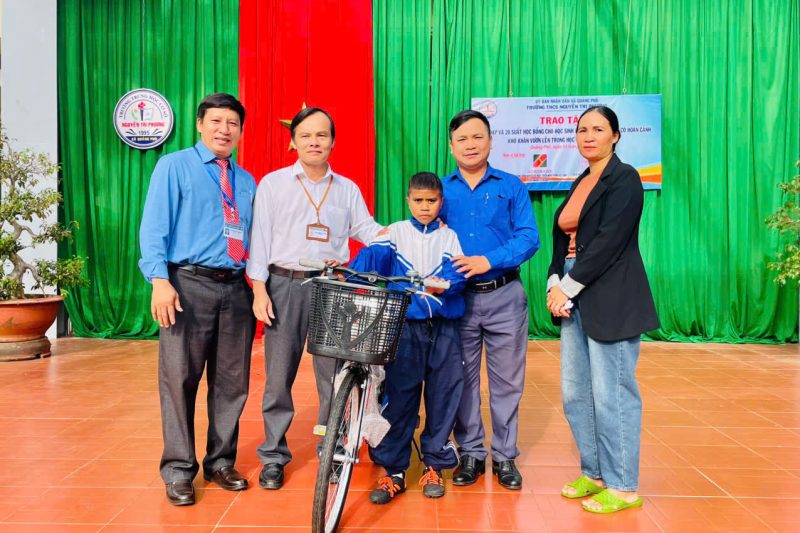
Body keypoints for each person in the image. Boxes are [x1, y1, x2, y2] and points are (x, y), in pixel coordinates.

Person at [247, 107, 384, 490]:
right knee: (279, 377)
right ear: (293, 141)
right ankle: (273, 455)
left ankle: (332, 449)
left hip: (330, 287)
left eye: (322, 135)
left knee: (332, 377)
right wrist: (259, 289)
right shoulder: (274, 184)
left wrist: (404, 233)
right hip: (284, 286)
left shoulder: (346, 189)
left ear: (333, 141)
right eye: (306, 135)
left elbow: (366, 229)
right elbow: (259, 240)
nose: (314, 142)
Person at [139, 93, 257, 506]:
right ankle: (178, 469)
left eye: (233, 123)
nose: (224, 130)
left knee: (232, 383)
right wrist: (159, 280)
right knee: (179, 380)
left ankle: (221, 461)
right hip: (186, 285)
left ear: (240, 131)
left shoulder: (246, 181)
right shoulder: (174, 167)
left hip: (236, 289)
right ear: (199, 124)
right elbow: (154, 227)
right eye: (216, 121)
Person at [546, 105, 659, 513]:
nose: (588, 136)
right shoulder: (582, 180)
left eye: (598, 129)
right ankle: (594, 474)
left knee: (613, 393)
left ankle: (624, 485)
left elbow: (610, 242)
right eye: (582, 130)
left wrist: (567, 287)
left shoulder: (625, 178)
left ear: (615, 135)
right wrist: (554, 281)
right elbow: (563, 238)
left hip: (611, 293)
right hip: (573, 289)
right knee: (576, 392)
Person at [348, 171, 466, 504]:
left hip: (444, 327)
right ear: (408, 200)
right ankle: (394, 470)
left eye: (432, 200)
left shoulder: (449, 236)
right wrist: (351, 273)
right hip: (405, 327)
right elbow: (372, 257)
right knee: (399, 396)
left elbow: (456, 273)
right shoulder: (395, 232)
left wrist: (446, 285)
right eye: (418, 200)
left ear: (441, 202)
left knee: (443, 396)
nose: (425, 206)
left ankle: (434, 465)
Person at [440, 110, 540, 490]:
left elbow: (529, 238)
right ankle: (470, 453)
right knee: (462, 380)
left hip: (504, 295)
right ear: (451, 146)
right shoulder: (441, 190)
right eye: (462, 139)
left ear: (491, 141)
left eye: (477, 137)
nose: (470, 145)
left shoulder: (511, 186)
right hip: (458, 301)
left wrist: (488, 260)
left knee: (507, 381)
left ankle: (505, 456)